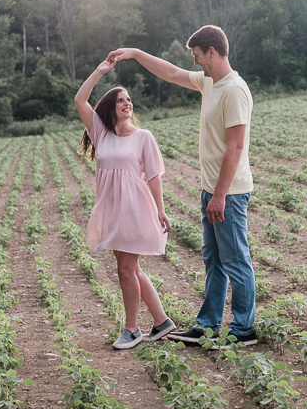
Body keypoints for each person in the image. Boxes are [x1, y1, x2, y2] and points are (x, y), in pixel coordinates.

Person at [108, 25, 257, 347]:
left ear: (212, 52)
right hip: (212, 190)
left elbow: (236, 147)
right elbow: (171, 72)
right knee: (214, 261)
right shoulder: (210, 82)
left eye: (197, 56)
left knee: (235, 260)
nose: (196, 62)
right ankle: (207, 326)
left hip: (228, 192)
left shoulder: (234, 89)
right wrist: (133, 53)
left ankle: (244, 329)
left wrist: (219, 196)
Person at [74, 58, 175, 350]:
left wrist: (160, 209)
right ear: (110, 106)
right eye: (121, 100)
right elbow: (80, 99)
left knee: (125, 270)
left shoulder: (144, 137)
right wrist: (100, 70)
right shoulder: (101, 133)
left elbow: (154, 176)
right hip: (114, 210)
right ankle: (161, 320)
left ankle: (132, 329)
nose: (127, 103)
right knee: (130, 269)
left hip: (135, 209)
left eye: (129, 99)